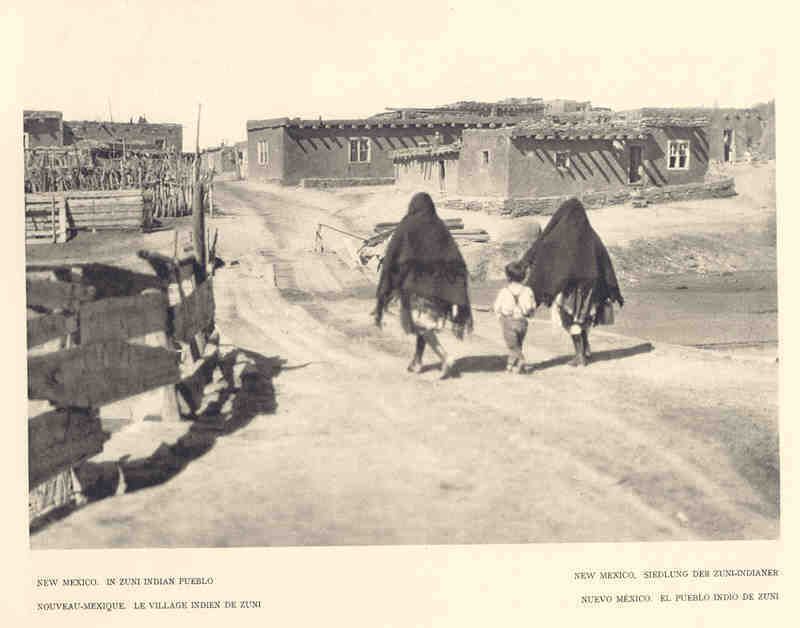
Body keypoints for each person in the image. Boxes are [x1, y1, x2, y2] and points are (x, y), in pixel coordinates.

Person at [374, 192, 473, 379]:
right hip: (439, 291)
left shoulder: (407, 226)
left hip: (415, 289)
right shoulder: (439, 226)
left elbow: (391, 257)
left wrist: (386, 287)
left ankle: (445, 356)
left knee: (421, 325)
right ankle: (417, 361)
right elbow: (455, 259)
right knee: (424, 324)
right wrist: (456, 291)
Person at [520, 198, 623, 367]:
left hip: (568, 289)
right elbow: (604, 262)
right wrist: (608, 289)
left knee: (571, 321)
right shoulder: (591, 236)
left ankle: (580, 356)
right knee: (582, 320)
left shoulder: (556, 239)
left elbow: (543, 252)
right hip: (590, 289)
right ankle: (585, 349)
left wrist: (529, 267)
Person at [493, 261, 536, 373]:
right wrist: (529, 315)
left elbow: (497, 307)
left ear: (508, 276)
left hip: (508, 320)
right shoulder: (528, 290)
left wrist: (499, 317)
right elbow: (532, 307)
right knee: (518, 345)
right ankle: (510, 366)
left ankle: (522, 362)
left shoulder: (504, 291)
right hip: (522, 321)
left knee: (512, 346)